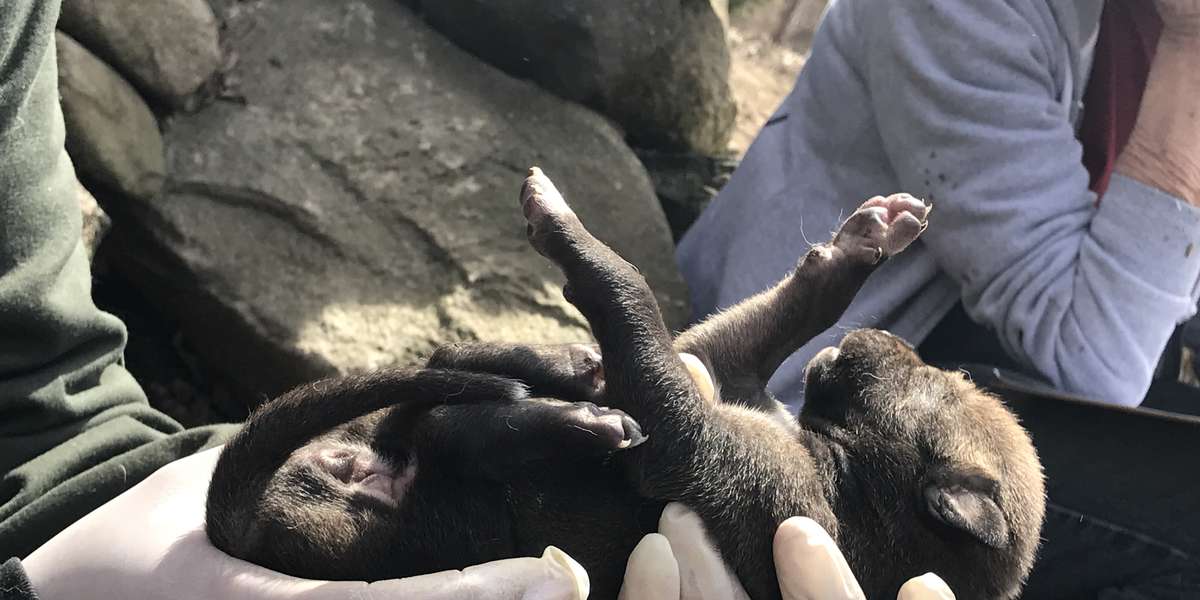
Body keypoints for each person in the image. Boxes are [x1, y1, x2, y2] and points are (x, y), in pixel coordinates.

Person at [0, 0, 955, 598]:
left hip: (411, 520)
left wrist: (127, 499)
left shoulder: (793, 509)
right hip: (426, 504)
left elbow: (39, 391)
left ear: (956, 509)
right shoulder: (801, 498)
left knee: (502, 405)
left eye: (943, 402)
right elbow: (702, 384)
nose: (925, 369)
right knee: (500, 408)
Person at [678, 0, 1200, 597]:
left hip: (961, 380)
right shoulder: (960, 11)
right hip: (812, 416)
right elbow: (1092, 359)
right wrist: (1191, 48)